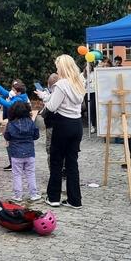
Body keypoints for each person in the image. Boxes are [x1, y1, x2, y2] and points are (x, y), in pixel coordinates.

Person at [36, 55, 85, 209]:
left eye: (58, 66)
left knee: (56, 161)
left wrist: (46, 99)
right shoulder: (79, 82)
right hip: (77, 124)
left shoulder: (61, 84)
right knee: (72, 162)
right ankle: (74, 200)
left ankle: (53, 197)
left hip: (63, 124)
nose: (56, 69)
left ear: (62, 67)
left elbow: (51, 107)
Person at [0, 77, 29, 170]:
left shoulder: (19, 99)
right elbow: (5, 92)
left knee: (13, 142)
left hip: (17, 124)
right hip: (13, 122)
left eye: (13, 89)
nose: (12, 90)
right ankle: (13, 162)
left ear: (18, 91)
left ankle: (16, 163)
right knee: (8, 141)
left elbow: (9, 105)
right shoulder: (17, 95)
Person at [3, 101, 41, 202]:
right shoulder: (31, 123)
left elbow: (7, 136)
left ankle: (18, 195)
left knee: (17, 174)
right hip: (29, 153)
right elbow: (36, 136)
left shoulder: (11, 124)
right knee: (30, 173)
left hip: (16, 154)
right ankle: (33, 194)